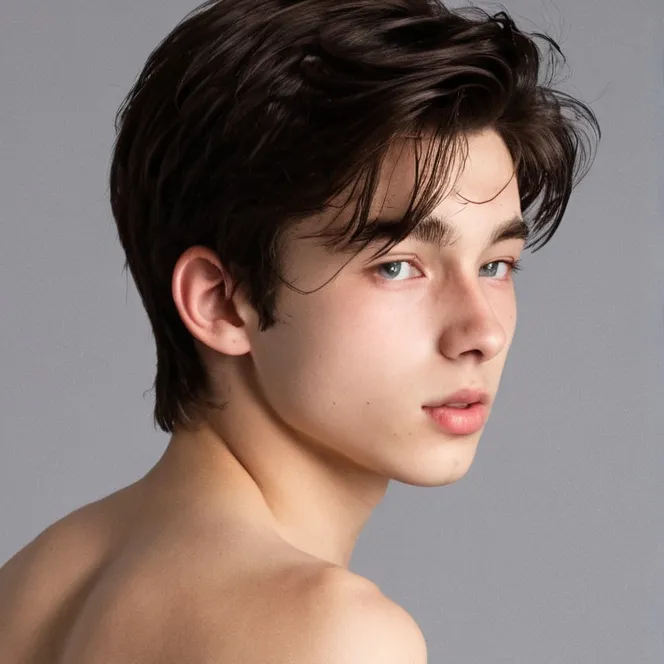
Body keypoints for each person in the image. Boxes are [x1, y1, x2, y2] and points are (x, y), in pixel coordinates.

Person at [0, 0, 600, 661]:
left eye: (494, 265)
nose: (481, 332)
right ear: (221, 302)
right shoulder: (333, 633)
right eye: (397, 266)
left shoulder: (30, 583)